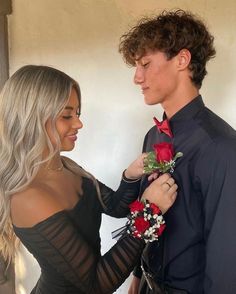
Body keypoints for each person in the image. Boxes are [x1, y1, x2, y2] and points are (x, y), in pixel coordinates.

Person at [0, 65, 177, 294]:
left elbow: (114, 206)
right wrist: (149, 211)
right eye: (66, 116)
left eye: (77, 114)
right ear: (31, 119)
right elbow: (98, 283)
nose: (78, 123)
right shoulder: (28, 197)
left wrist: (131, 175)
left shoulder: (65, 166)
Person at [119, 9, 236, 294]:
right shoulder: (153, 135)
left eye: (145, 64)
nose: (137, 77)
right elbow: (146, 211)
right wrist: (137, 276)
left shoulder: (221, 146)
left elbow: (227, 257)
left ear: (182, 60)